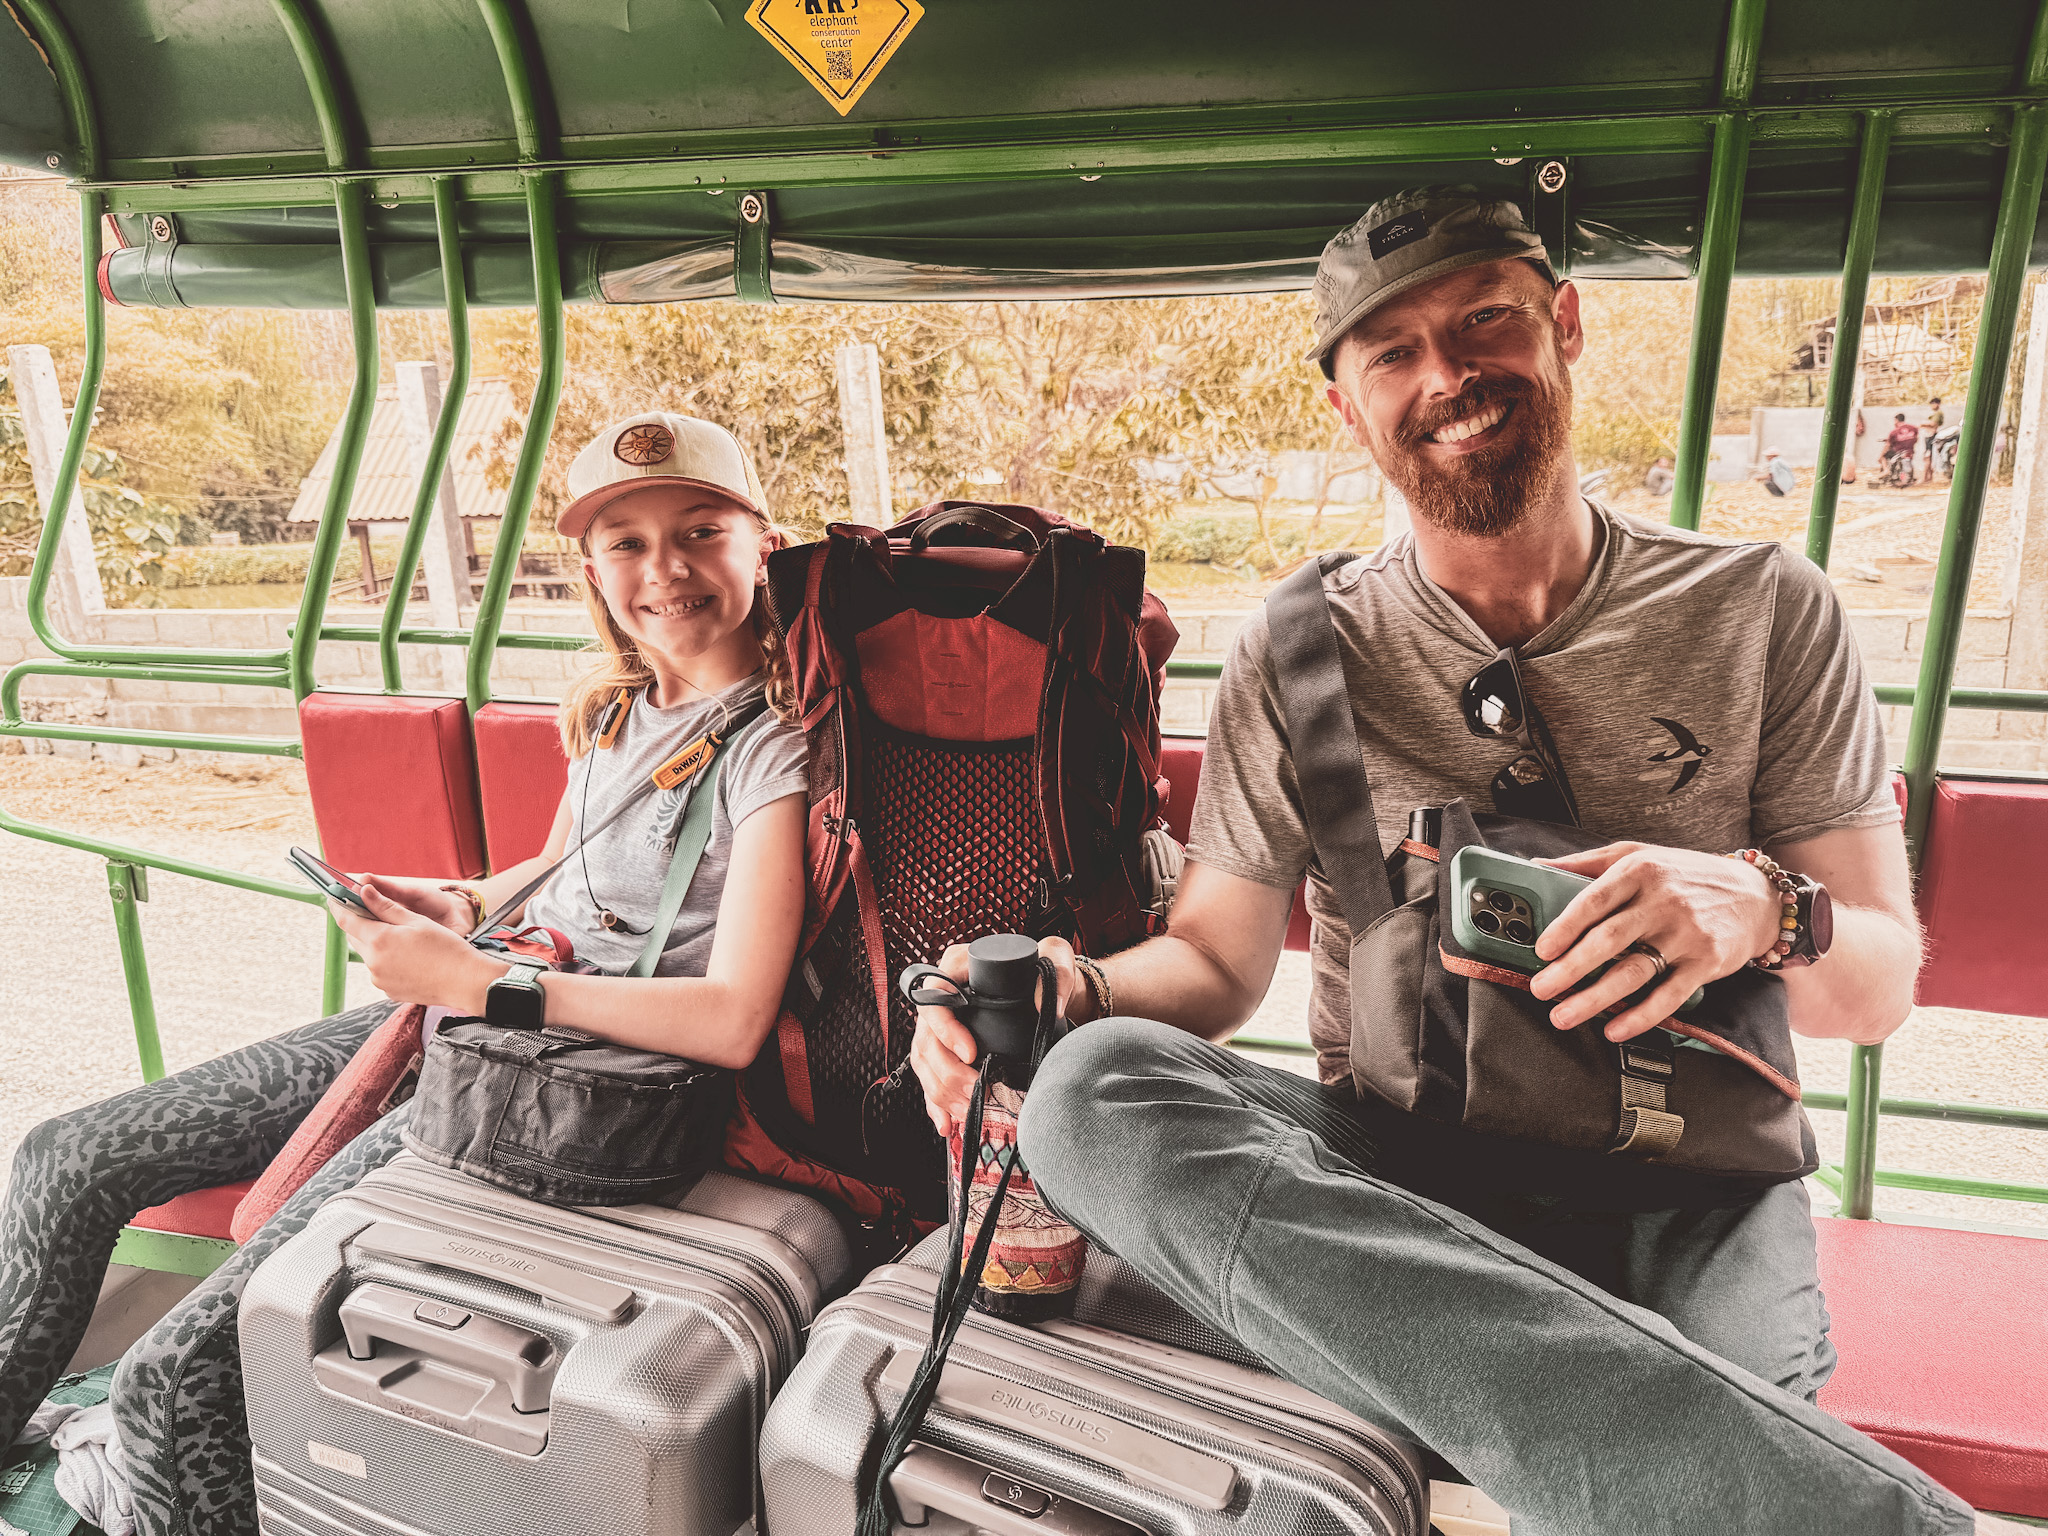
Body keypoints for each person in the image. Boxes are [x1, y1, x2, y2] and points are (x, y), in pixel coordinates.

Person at [911, 188, 2007, 1534]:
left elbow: (1875, 990)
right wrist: (1062, 989)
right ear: (1347, 406)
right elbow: (1212, 967)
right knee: (1090, 1095)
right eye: (1395, 352)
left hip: (1693, 1185)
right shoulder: (1297, 650)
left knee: (1694, 1450)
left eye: (1485, 321)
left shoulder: (1764, 608)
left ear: (1564, 325)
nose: (1448, 376)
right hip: (1403, 1176)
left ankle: (1648, 1439)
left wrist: (1760, 907)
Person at [0, 411, 811, 1536]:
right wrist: (466, 904)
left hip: (561, 1073)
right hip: (476, 1008)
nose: (664, 569)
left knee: (171, 1383)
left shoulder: (780, 743)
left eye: (700, 532)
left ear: (764, 545)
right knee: (64, 1156)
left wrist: (475, 984)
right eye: (627, 542)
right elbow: (570, 873)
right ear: (590, 570)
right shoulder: (620, 708)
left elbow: (731, 1018)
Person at [1885, 412, 1920, 484]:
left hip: (1899, 452)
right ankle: (1910, 478)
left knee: (1886, 456)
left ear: (1896, 420)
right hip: (1910, 451)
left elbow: (1888, 444)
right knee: (1908, 463)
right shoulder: (1913, 428)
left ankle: (1887, 471)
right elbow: (1916, 438)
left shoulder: (1894, 432)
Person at [1923, 397, 1945, 483]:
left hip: (1931, 436)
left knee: (1927, 456)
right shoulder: (1936, 413)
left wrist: (1923, 424)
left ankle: (1925, 477)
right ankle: (1929, 477)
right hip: (1930, 435)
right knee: (1928, 456)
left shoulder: (1938, 414)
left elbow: (1933, 424)